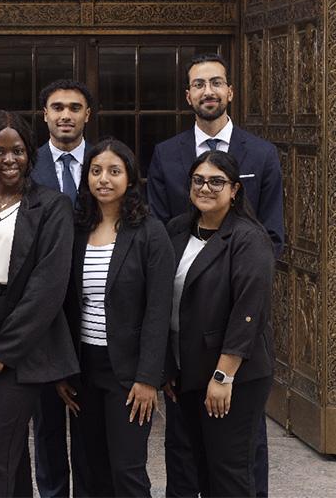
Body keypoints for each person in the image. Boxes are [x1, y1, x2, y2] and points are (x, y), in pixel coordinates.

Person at [146, 53, 282, 497]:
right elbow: (163, 247)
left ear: (230, 92)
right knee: (186, 460)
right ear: (188, 95)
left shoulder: (261, 155)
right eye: (199, 84)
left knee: (237, 459)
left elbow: (272, 238)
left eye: (216, 82)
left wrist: (233, 285)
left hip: (236, 334)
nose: (208, 90)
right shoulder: (167, 156)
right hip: (186, 345)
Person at [0, 111, 79, 497]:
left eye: (19, 151)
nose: (9, 160)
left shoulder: (52, 207)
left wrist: (5, 350)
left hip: (27, 346)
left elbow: (48, 286)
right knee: (9, 454)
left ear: (30, 155)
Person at [56, 138, 174, 497]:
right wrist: (63, 368)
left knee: (127, 469)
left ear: (130, 177)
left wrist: (148, 377)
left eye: (114, 171)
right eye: (95, 171)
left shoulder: (150, 233)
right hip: (83, 368)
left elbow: (159, 310)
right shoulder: (76, 231)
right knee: (89, 468)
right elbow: (61, 304)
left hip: (128, 372)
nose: (103, 179)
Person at [165, 150, 274, 497]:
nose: (206, 188)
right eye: (199, 180)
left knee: (228, 472)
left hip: (232, 379)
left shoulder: (248, 238)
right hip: (188, 373)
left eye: (216, 181)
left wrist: (223, 376)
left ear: (234, 190)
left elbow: (248, 311)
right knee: (197, 467)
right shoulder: (178, 230)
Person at [28, 78, 95, 497]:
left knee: (89, 422)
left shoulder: (107, 164)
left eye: (74, 107)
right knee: (47, 423)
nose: (65, 115)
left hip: (94, 309)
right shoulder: (26, 165)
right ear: (45, 115)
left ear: (88, 114)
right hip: (43, 313)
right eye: (57, 107)